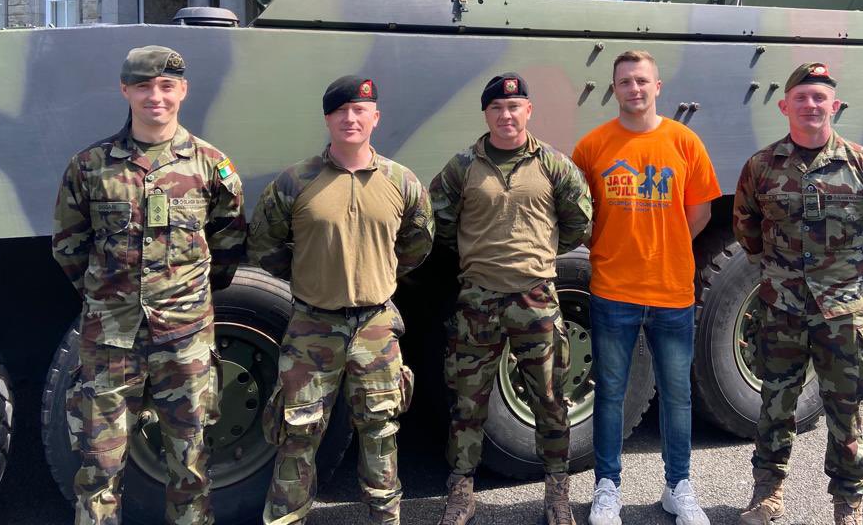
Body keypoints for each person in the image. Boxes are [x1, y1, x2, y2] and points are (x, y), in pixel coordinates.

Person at [52, 45, 247, 525]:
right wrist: (109, 297)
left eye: (165, 86)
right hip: (111, 341)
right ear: (125, 90)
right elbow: (68, 247)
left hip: (185, 341)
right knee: (98, 466)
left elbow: (228, 244)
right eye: (143, 86)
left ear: (182, 90)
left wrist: (186, 300)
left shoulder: (211, 166)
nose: (154, 96)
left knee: (190, 464)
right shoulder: (91, 166)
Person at [248, 75, 434, 525]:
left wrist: (375, 274)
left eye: (359, 110)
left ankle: (385, 518)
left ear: (375, 118)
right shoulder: (295, 181)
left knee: (380, 431)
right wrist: (313, 272)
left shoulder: (402, 182)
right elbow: (265, 245)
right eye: (340, 111)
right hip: (313, 324)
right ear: (328, 119)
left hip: (375, 325)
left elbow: (417, 243)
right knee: (297, 433)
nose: (350, 119)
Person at [732, 63, 863, 525]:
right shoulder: (761, 167)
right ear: (784, 105)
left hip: (841, 314)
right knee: (775, 405)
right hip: (780, 310)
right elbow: (746, 228)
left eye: (820, 97)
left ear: (835, 105)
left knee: (844, 410)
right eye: (802, 97)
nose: (811, 105)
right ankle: (767, 496)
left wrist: (847, 273)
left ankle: (848, 503)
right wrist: (779, 271)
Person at [430, 73, 593, 525]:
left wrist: (537, 257)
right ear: (486, 114)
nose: (507, 115)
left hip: (535, 299)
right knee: (467, 400)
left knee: (549, 397)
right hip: (477, 301)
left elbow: (578, 220)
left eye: (515, 106)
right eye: (498, 108)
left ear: (528, 111)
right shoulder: (462, 166)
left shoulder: (553, 165)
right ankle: (462, 489)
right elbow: (438, 223)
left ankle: (557, 492)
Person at [572, 50, 720, 525]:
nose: (633, 89)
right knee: (611, 394)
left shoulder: (684, 142)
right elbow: (579, 216)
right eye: (624, 82)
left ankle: (678, 486)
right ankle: (607, 487)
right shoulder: (592, 147)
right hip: (612, 290)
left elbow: (700, 212)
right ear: (613, 90)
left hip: (671, 292)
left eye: (642, 81)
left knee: (677, 396)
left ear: (658, 87)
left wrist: (667, 244)